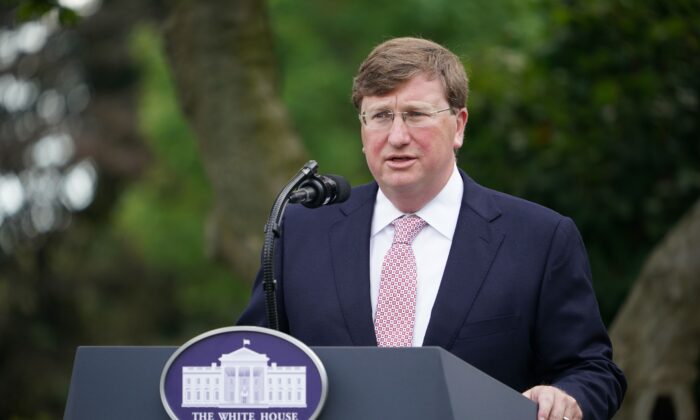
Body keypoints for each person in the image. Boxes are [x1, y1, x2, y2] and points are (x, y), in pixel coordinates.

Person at [238, 37, 626, 420]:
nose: (397, 136)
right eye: (380, 116)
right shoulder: (301, 233)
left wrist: (565, 396)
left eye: (416, 114)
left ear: (458, 126)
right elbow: (252, 360)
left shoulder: (539, 238)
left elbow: (593, 371)